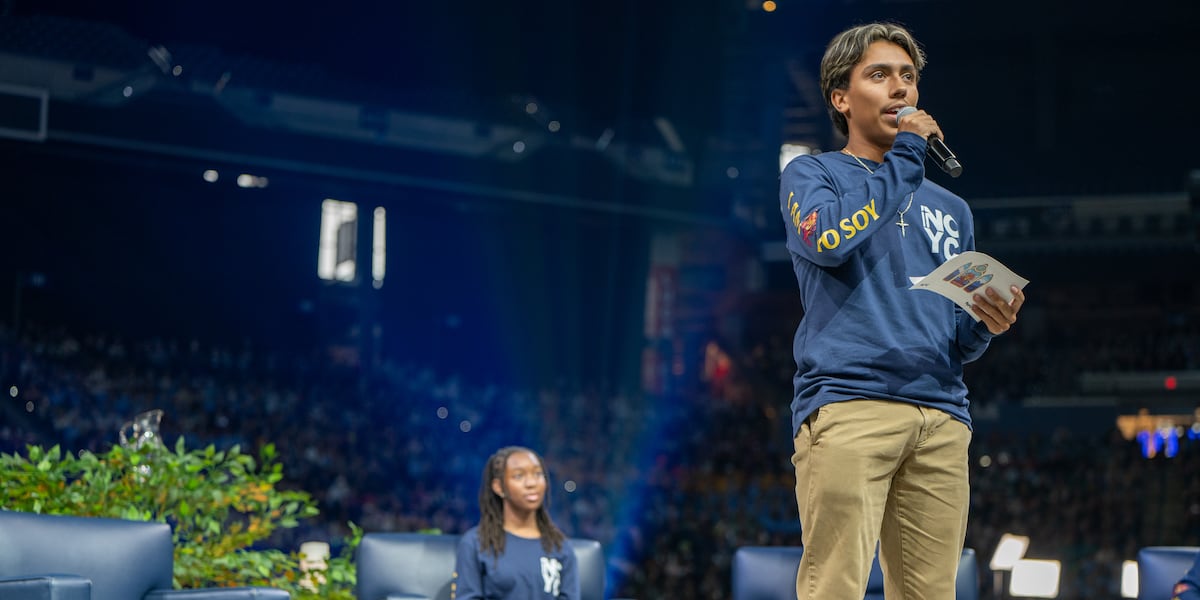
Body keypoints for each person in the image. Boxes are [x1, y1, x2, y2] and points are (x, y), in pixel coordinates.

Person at [777, 21, 1026, 599]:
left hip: (941, 415)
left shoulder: (953, 209)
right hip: (850, 404)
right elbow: (830, 240)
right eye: (879, 75)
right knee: (834, 585)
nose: (900, 90)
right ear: (841, 98)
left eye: (908, 78)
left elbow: (957, 337)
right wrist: (909, 152)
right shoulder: (813, 175)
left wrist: (987, 323)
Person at [453, 446, 579, 599]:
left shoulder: (560, 546)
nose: (531, 483)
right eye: (519, 476)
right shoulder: (475, 543)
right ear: (499, 487)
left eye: (538, 474)